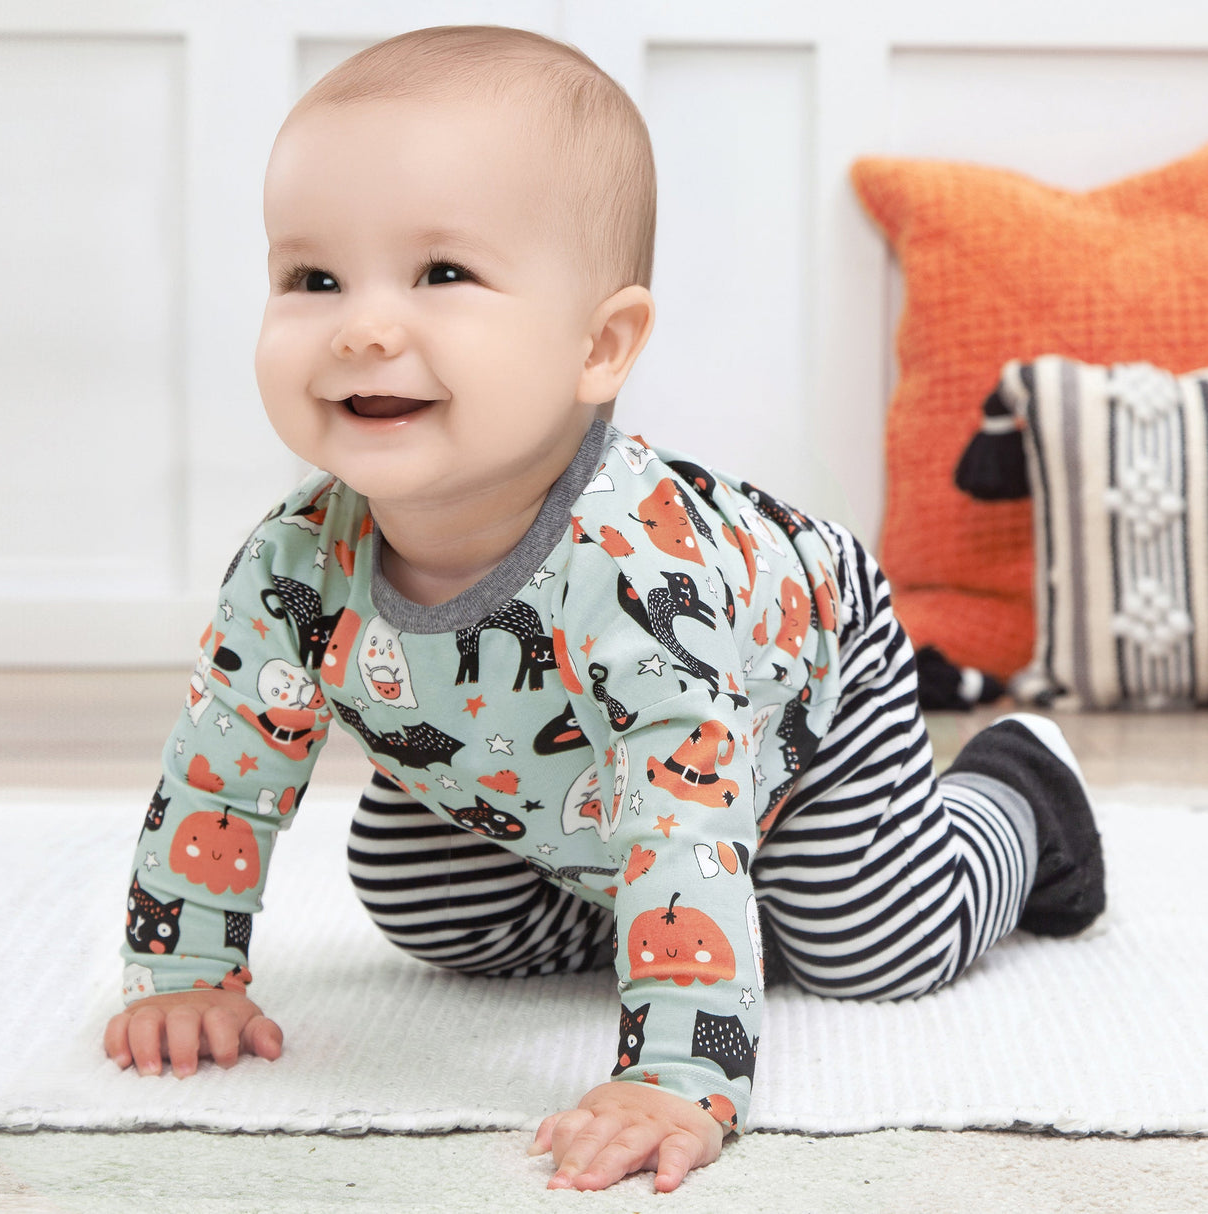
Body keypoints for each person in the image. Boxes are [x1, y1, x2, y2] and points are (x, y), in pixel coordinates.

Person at [103, 25, 1105, 1194]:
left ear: (600, 344)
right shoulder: (288, 567)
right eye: (311, 278)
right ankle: (624, 893)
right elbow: (221, 780)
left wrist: (674, 1072)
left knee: (866, 940)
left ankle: (1021, 797)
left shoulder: (637, 577)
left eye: (440, 273)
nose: (362, 325)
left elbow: (683, 821)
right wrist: (184, 974)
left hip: (796, 700)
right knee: (413, 894)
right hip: (541, 777)